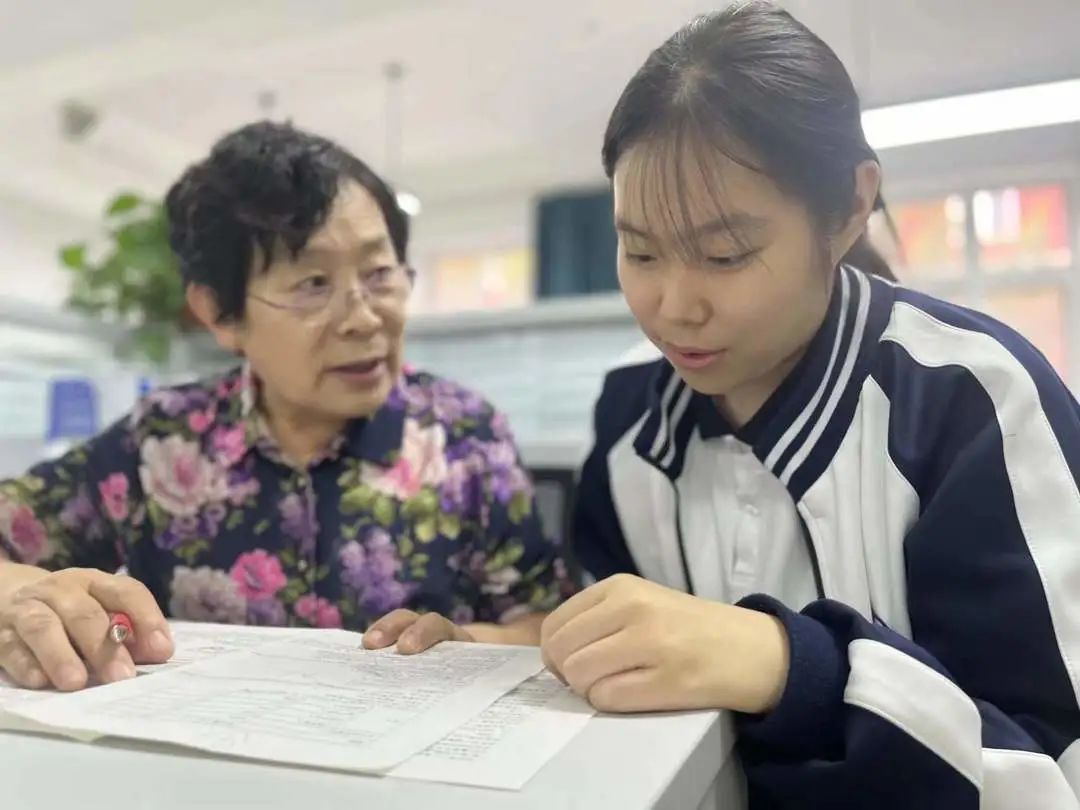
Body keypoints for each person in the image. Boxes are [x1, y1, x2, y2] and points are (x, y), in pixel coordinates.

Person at [392, 3, 1080, 807]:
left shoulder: (972, 400)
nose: (673, 307)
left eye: (725, 255)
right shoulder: (632, 421)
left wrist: (787, 665)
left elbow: (1050, 768)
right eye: (639, 250)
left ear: (848, 208)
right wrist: (498, 656)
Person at [0, 121, 573, 693]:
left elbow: (544, 621)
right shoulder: (162, 441)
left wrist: (469, 642)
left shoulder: (464, 436)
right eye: (313, 284)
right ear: (220, 313)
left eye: (380, 273)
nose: (363, 319)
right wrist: (28, 600)